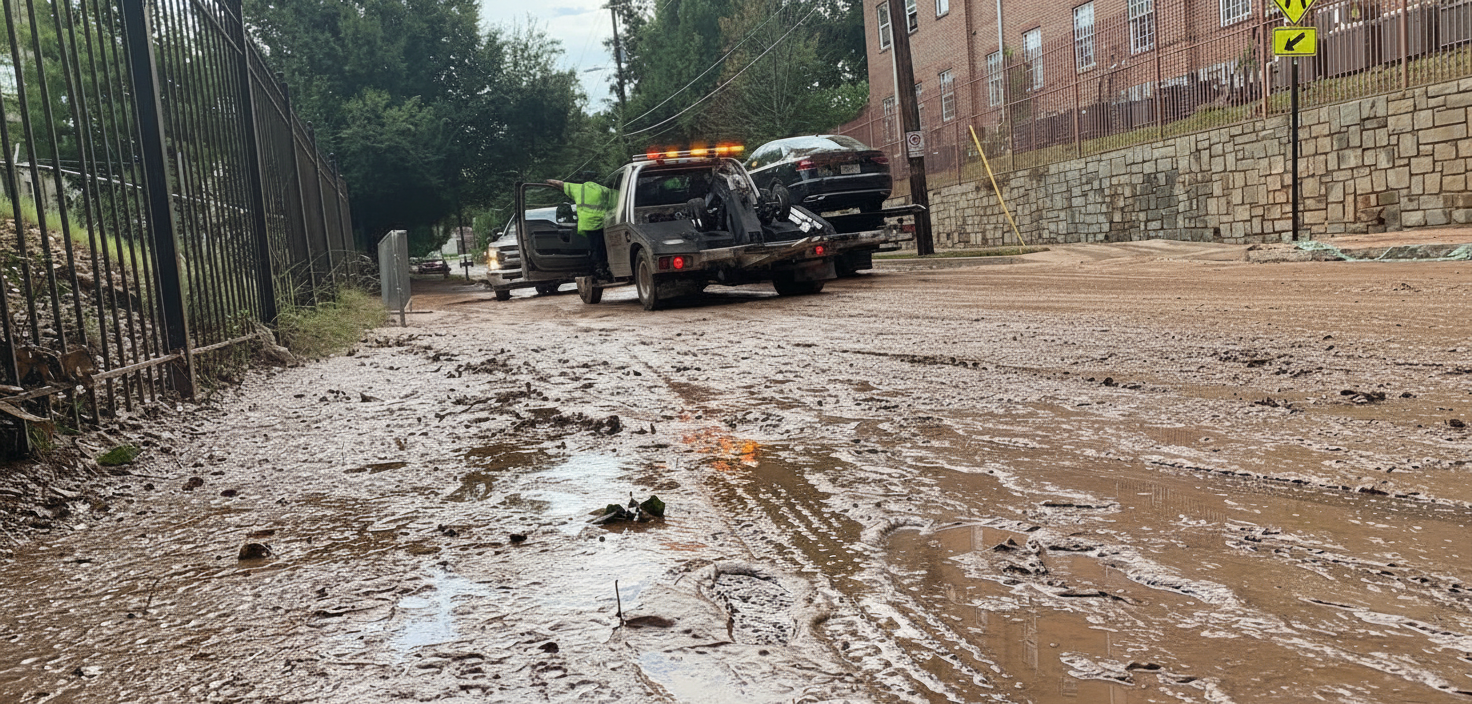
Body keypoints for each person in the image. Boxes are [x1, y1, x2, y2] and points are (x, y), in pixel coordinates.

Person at [546, 172, 615, 278]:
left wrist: (548, 182)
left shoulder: (579, 189)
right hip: (601, 223)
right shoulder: (603, 190)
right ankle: (603, 268)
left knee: (592, 246)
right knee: (601, 247)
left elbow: (561, 184)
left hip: (586, 225)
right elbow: (617, 197)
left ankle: (595, 269)